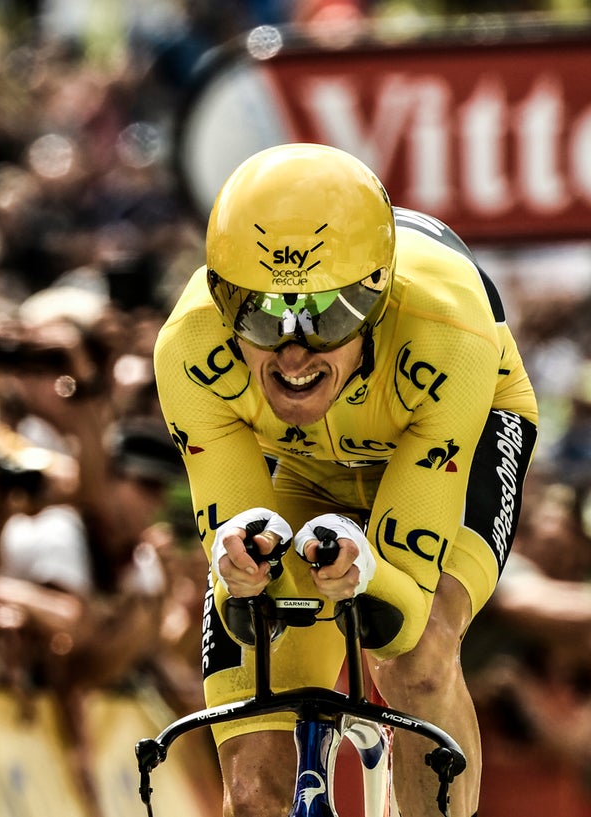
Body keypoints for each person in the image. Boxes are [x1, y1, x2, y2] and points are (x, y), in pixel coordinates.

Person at [152, 143, 538, 817]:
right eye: (261, 315)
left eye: (327, 314)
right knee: (252, 784)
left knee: (416, 655)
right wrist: (239, 567)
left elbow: (402, 607)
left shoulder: (447, 330)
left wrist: (367, 574)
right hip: (306, 466)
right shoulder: (188, 347)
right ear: (221, 300)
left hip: (457, 435)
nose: (294, 350)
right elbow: (240, 560)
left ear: (379, 301)